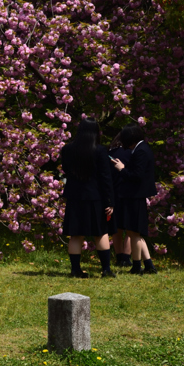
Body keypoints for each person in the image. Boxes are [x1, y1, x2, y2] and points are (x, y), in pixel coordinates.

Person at [60, 118, 116, 278]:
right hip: (95, 197)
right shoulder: (99, 150)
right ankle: (106, 269)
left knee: (76, 234)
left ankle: (75, 269)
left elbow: (66, 170)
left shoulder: (67, 149)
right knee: (101, 233)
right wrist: (109, 201)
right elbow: (105, 177)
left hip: (74, 196)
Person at [109, 122, 158, 274]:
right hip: (137, 196)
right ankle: (148, 264)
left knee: (134, 232)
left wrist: (122, 169)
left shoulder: (140, 151)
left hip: (135, 196)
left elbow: (136, 175)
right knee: (134, 232)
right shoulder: (142, 149)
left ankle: (137, 266)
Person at [109, 138, 134, 267]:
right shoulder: (133, 152)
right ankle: (126, 256)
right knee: (130, 227)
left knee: (116, 227)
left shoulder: (110, 153)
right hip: (130, 192)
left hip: (114, 192)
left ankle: (119, 257)